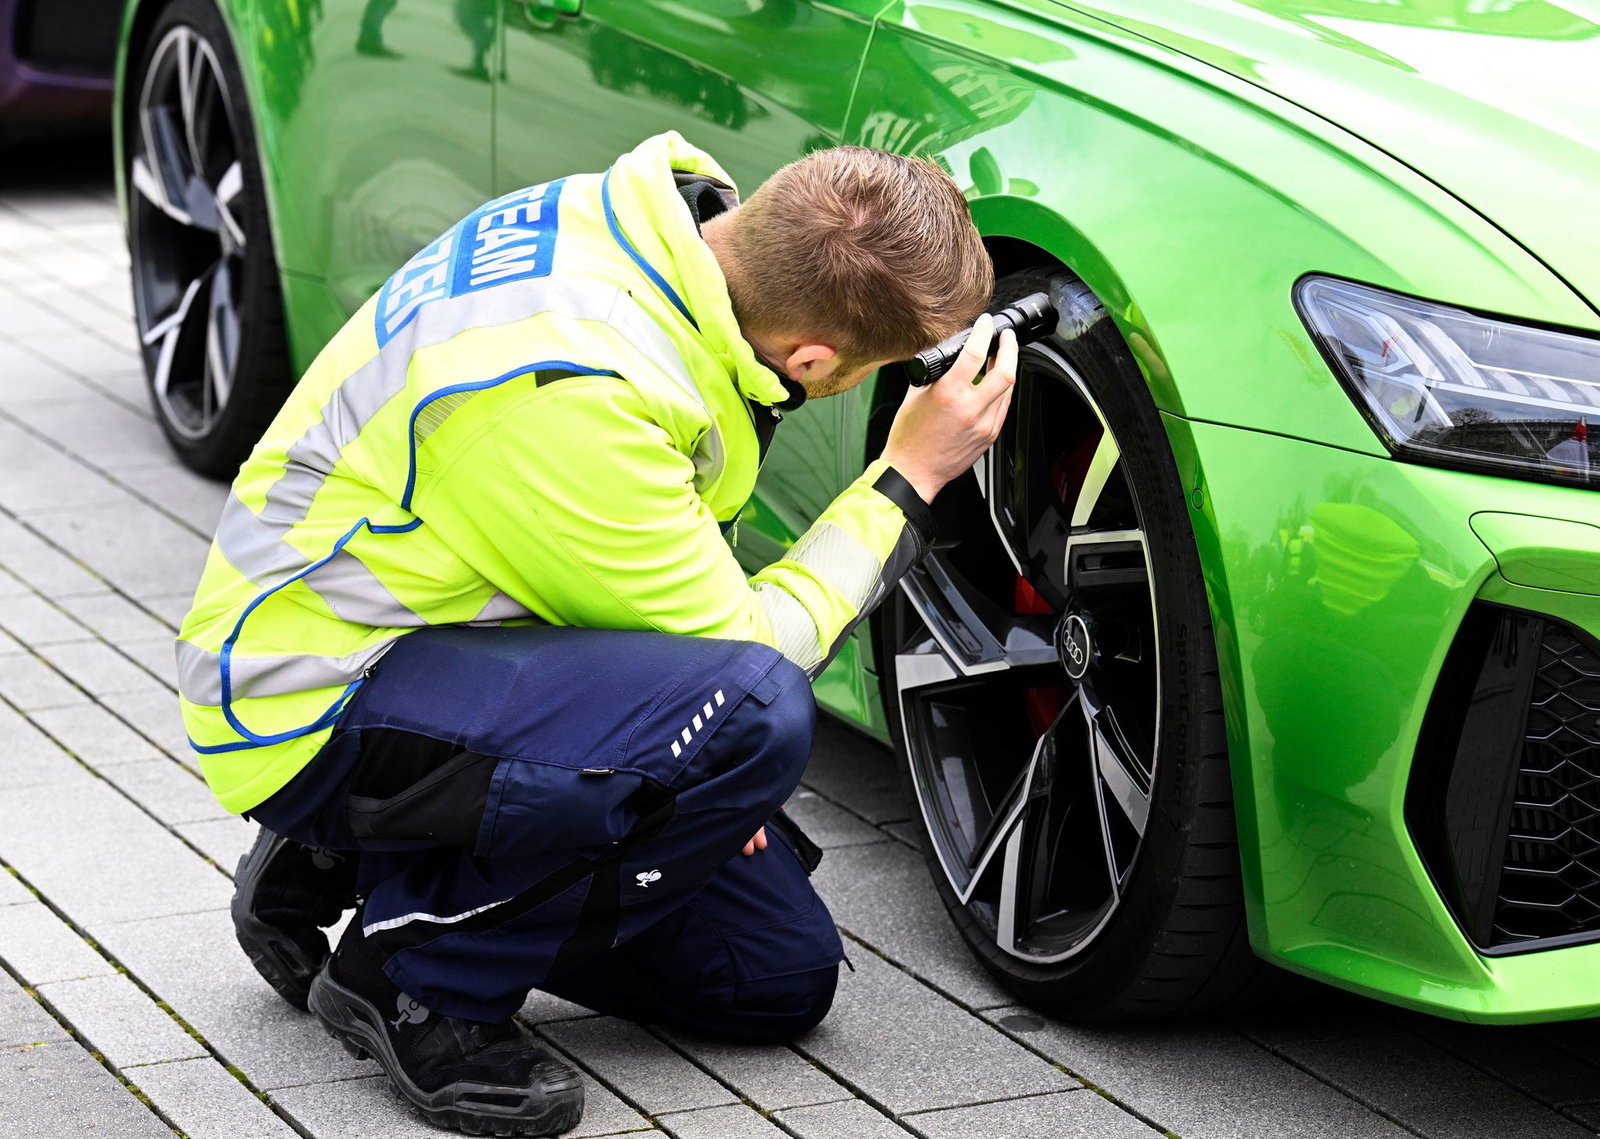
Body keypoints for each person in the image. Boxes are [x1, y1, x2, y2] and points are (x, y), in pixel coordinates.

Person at [177, 131, 1014, 1136]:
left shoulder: (645, 228)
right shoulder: (578, 386)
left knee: (770, 977)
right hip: (313, 689)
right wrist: (908, 477)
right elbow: (754, 654)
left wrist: (684, 767)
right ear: (811, 360)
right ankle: (412, 972)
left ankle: (351, 854)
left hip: (454, 633)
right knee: (752, 713)